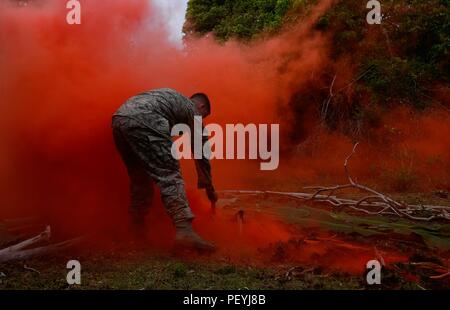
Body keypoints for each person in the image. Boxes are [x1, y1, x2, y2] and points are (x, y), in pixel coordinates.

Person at [112, 88, 218, 252]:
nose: (202, 120)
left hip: (119, 120)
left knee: (140, 178)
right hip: (147, 120)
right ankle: (185, 230)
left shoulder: (170, 97)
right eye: (204, 117)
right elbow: (201, 151)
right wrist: (209, 186)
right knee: (169, 173)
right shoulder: (192, 109)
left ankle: (136, 229)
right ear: (202, 107)